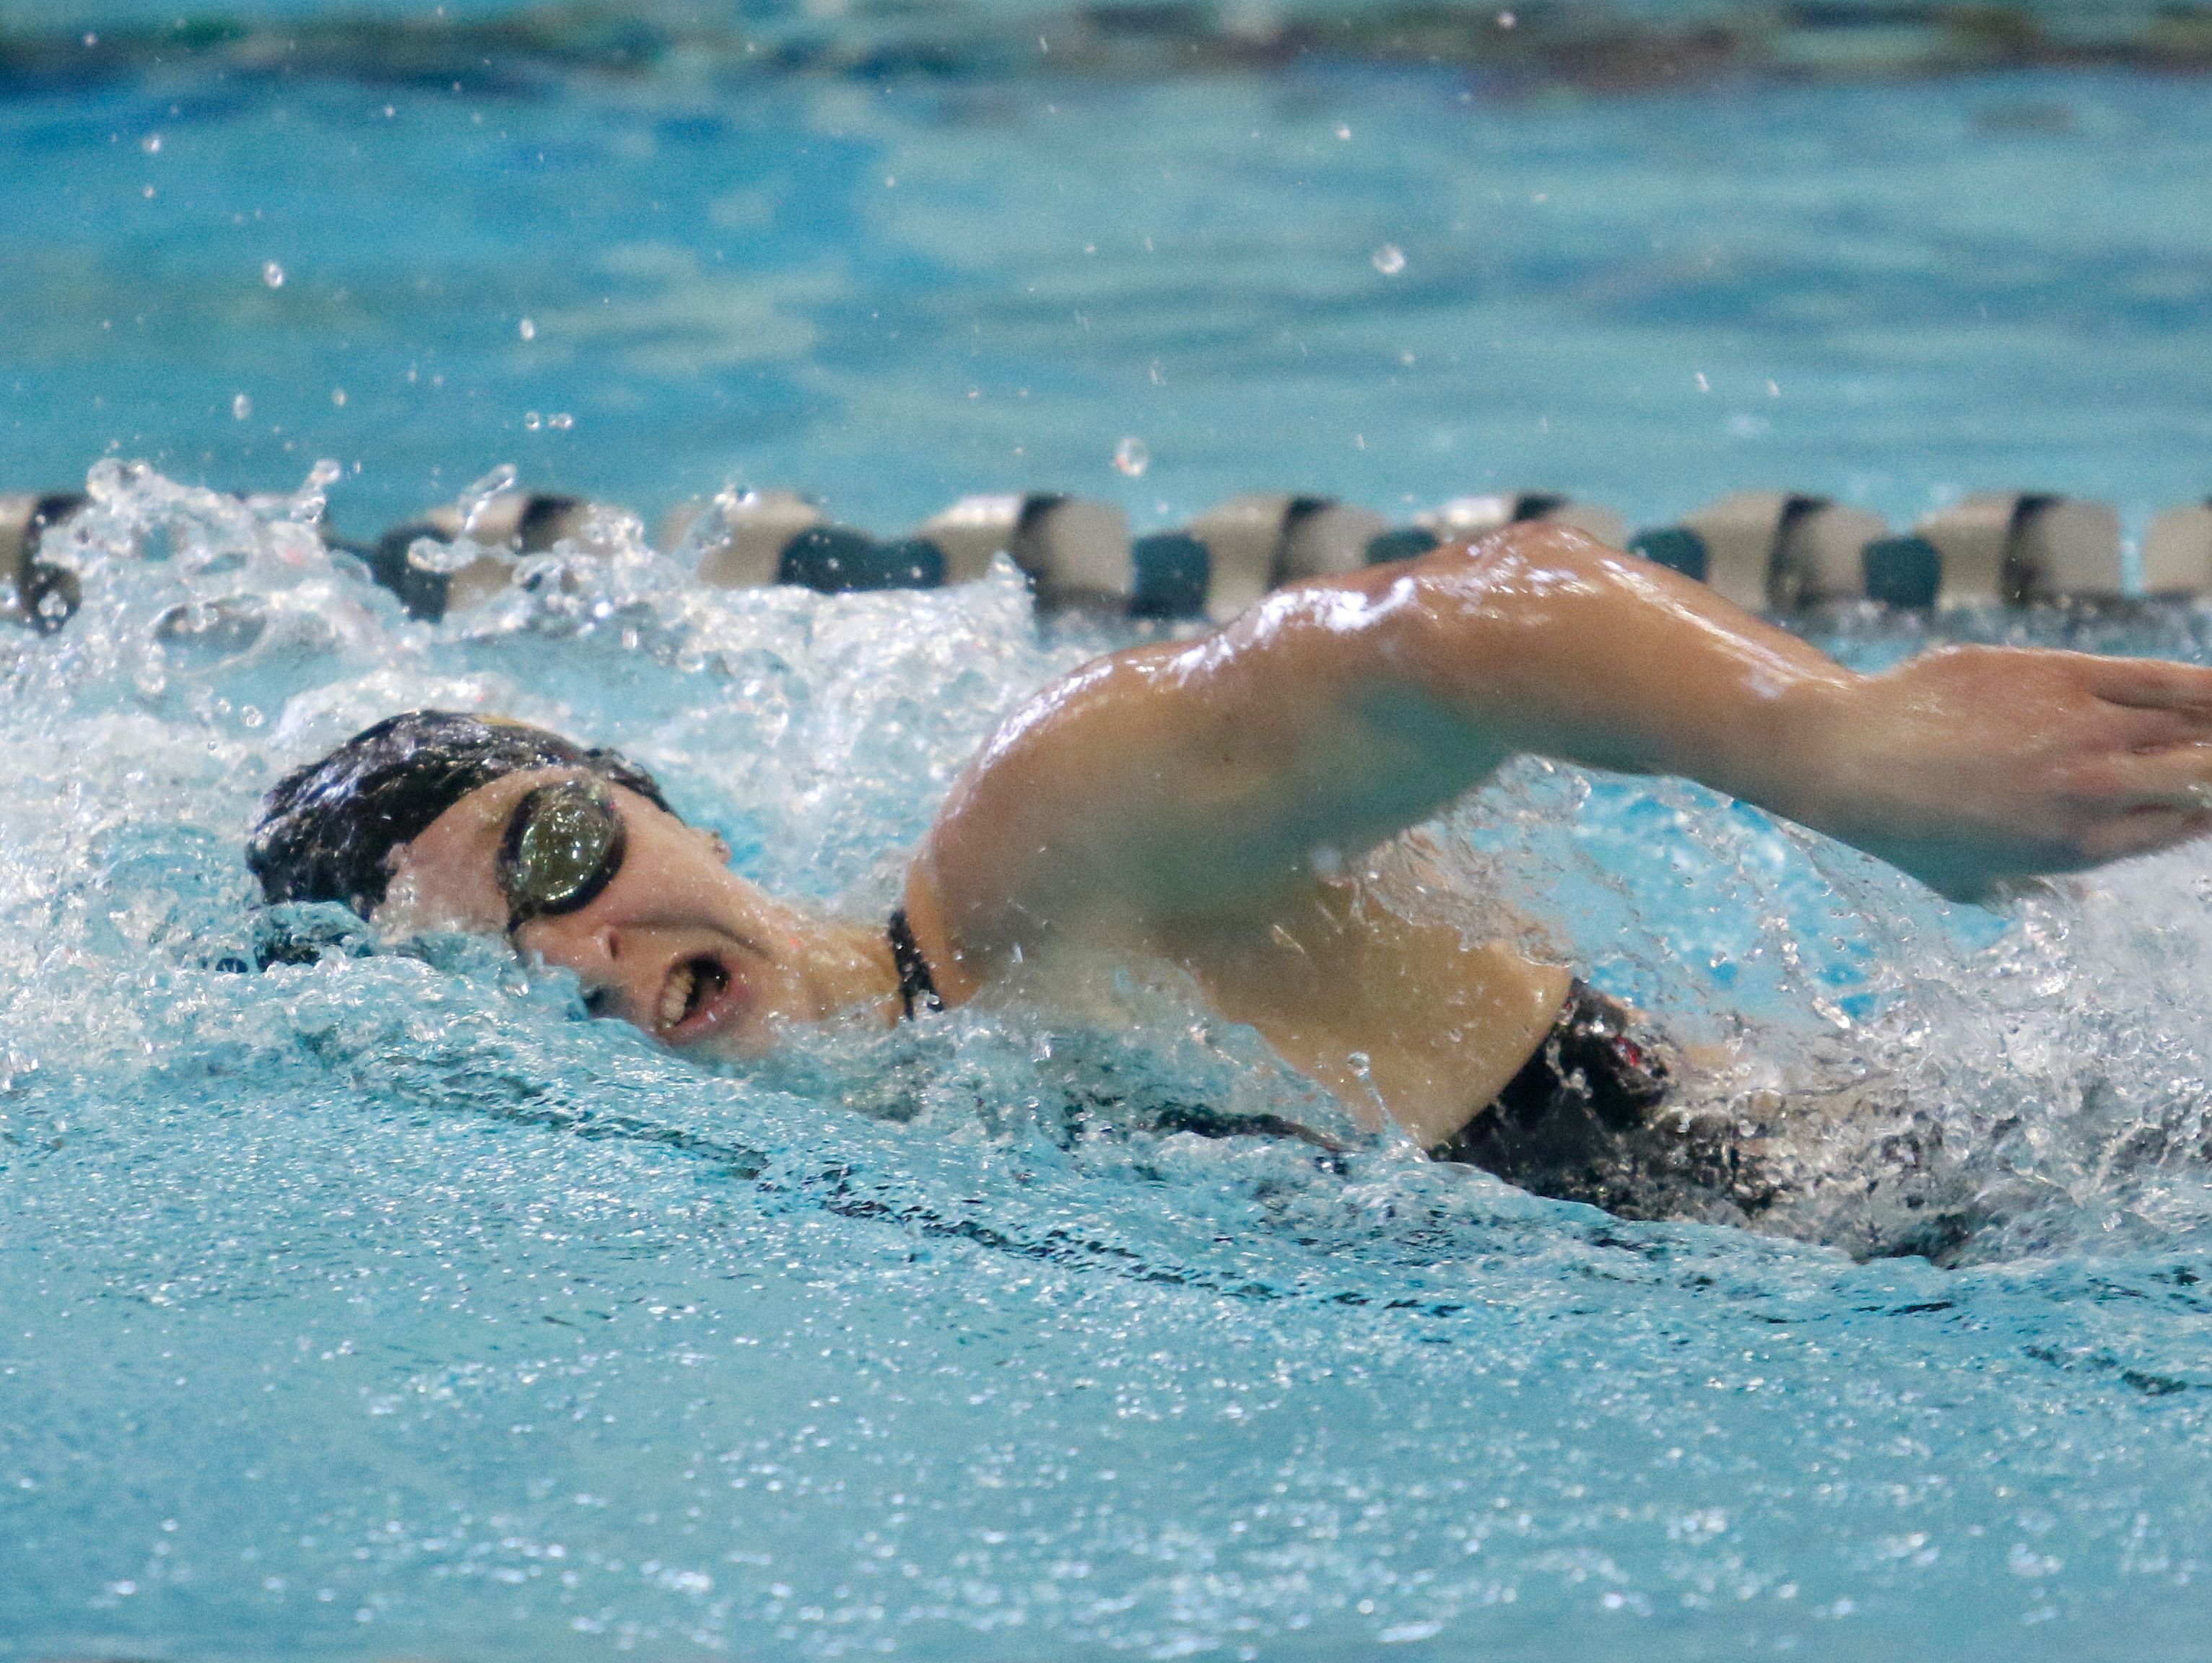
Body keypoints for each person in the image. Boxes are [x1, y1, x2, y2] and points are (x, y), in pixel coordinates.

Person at [245, 525, 2212, 1223]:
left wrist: (1845, 750)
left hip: (2010, 1208)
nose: (584, 955)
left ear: (660, 801)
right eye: (496, 976)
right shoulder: (909, 1127)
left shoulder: (1033, 868)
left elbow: (1466, 624)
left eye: (559, 854)